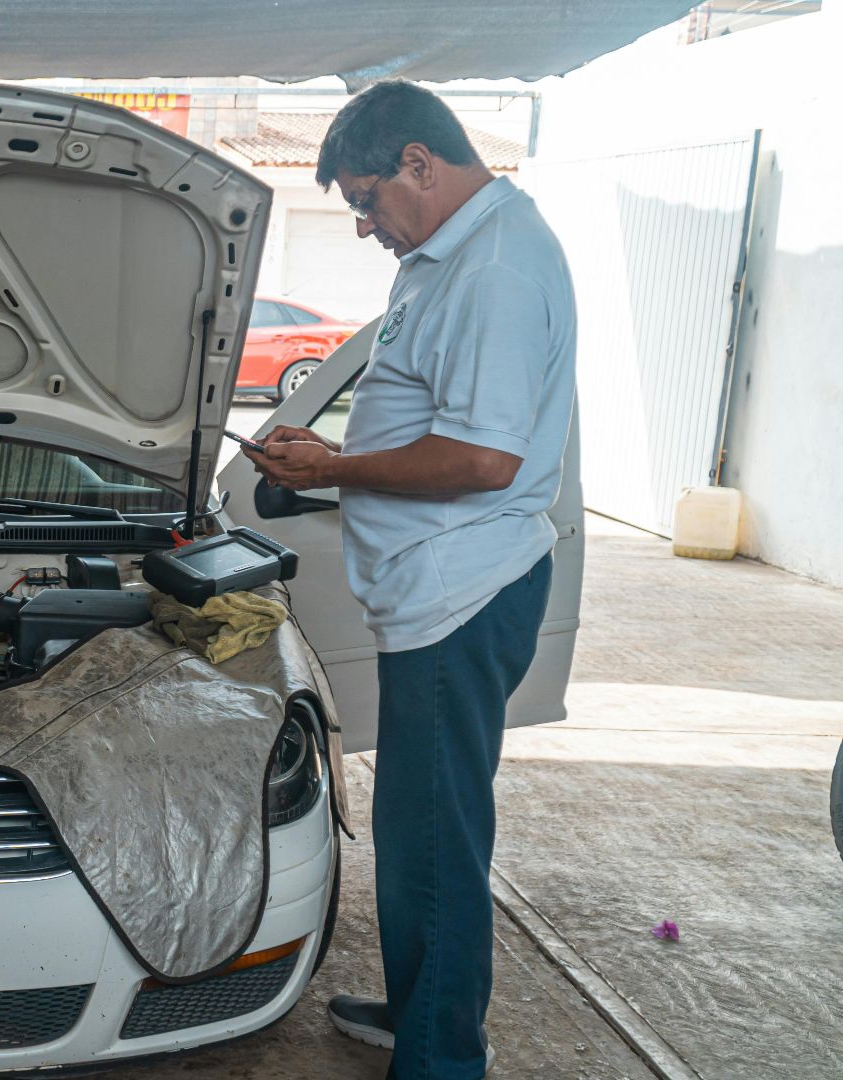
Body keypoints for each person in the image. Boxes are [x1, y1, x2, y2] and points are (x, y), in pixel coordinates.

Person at [242, 81, 576, 1080]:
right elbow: (422, 405)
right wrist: (333, 444)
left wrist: (333, 471)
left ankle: (440, 1058)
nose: (362, 225)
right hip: (432, 589)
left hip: (462, 593)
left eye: (367, 200)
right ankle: (419, 1010)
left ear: (419, 164)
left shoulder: (500, 267)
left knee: (437, 836)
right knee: (419, 823)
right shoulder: (445, 256)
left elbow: (484, 460)